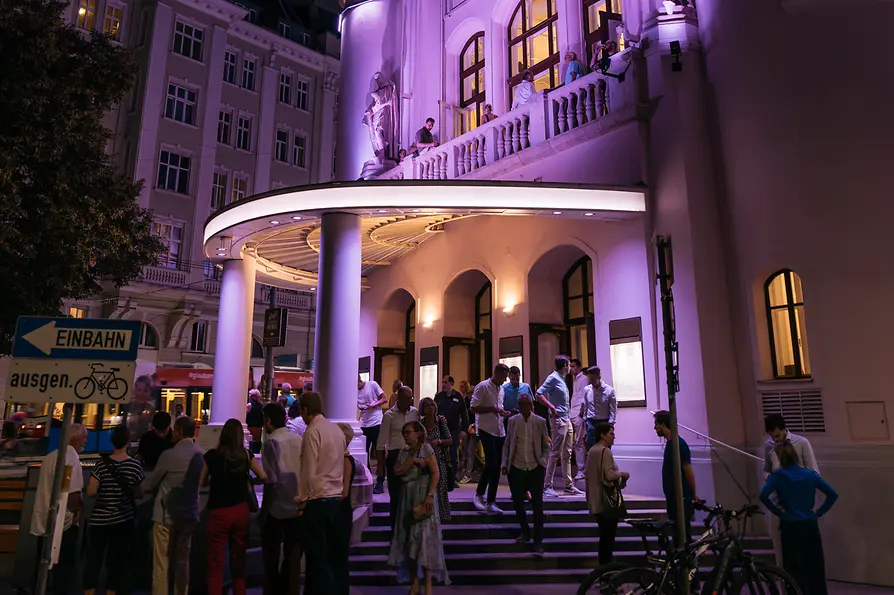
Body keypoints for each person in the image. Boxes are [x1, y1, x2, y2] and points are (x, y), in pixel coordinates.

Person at [759, 441, 837, 595]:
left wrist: (778, 511)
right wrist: (818, 513)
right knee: (815, 566)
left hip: (790, 525)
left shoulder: (778, 477)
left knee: (794, 568)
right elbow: (832, 494)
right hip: (810, 524)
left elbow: (763, 495)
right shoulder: (810, 475)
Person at [201, 418, 266, 595]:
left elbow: (201, 483)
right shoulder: (245, 455)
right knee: (239, 562)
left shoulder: (211, 456)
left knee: (215, 564)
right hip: (240, 510)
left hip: (218, 512)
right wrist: (248, 481)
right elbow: (264, 476)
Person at [388, 421, 449, 594]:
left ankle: (428, 586)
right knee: (411, 540)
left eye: (408, 432)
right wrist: (411, 462)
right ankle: (414, 581)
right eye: (404, 433)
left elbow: (435, 473)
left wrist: (430, 495)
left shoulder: (427, 449)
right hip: (408, 498)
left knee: (425, 540)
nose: (405, 436)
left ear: (418, 433)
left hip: (423, 496)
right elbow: (397, 471)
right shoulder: (404, 452)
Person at [84, 425, 144, 595]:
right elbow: (139, 493)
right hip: (123, 520)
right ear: (128, 442)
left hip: (99, 521)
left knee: (94, 560)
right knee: (117, 562)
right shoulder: (134, 466)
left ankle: (90, 591)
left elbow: (91, 491)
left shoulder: (101, 465)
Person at [297, 391, 346, 595]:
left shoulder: (312, 432)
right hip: (336, 500)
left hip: (318, 501)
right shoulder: (336, 430)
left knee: (317, 560)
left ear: (305, 410)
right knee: (333, 558)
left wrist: (301, 501)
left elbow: (308, 471)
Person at [149, 416, 203, 595]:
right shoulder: (201, 454)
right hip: (189, 516)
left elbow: (152, 483)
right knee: (182, 562)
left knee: (161, 563)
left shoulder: (169, 455)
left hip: (165, 516)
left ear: (179, 431)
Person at [32, 424, 87, 595]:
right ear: (75, 438)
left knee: (41, 568)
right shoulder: (72, 458)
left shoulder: (49, 458)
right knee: (63, 573)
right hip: (63, 524)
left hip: (43, 522)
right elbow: (72, 493)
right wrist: (78, 510)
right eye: (84, 437)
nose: (86, 440)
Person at [260, 402, 303, 595]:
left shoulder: (270, 443)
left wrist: (263, 511)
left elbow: (271, 481)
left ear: (268, 421)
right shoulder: (298, 439)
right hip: (297, 506)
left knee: (271, 556)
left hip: (277, 508)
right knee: (292, 557)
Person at [501, 393, 549, 555]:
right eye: (520, 404)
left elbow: (545, 445)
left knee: (537, 506)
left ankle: (538, 542)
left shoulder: (540, 422)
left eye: (525, 404)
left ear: (531, 405)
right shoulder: (513, 421)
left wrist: (544, 460)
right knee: (518, 503)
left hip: (535, 467)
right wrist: (504, 464)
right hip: (517, 466)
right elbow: (507, 444)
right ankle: (525, 531)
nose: (522, 407)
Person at [537, 356, 584, 497]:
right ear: (564, 365)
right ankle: (547, 486)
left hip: (566, 418)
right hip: (558, 419)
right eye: (569, 365)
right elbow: (539, 393)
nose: (570, 367)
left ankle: (568, 486)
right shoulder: (552, 378)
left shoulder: (562, 379)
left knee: (567, 453)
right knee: (555, 452)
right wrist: (551, 406)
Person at [653, 410, 700, 546]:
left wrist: (694, 494)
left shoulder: (678, 444)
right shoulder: (670, 444)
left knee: (683, 537)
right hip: (674, 499)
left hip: (681, 499)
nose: (654, 428)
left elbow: (688, 471)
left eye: (656, 424)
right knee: (678, 536)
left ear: (663, 424)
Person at [585, 422, 629, 565]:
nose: (613, 436)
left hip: (596, 500)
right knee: (608, 541)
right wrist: (623, 474)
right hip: (606, 503)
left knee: (604, 539)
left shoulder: (592, 451)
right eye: (611, 433)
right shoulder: (605, 451)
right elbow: (609, 476)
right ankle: (606, 574)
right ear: (602, 435)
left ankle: (603, 574)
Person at [377, 386, 421, 529]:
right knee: (395, 496)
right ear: (400, 399)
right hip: (395, 456)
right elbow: (381, 444)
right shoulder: (389, 415)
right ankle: (395, 529)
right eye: (408, 398)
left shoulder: (415, 413)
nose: (410, 401)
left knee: (411, 495)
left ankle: (409, 528)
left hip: (412, 455)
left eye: (411, 398)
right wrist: (380, 467)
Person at [470, 363, 511, 515]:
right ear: (497, 373)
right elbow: (473, 407)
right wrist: (493, 409)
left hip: (499, 430)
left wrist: (503, 413)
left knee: (496, 466)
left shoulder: (501, 390)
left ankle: (490, 501)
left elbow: (498, 408)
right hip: (486, 429)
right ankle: (480, 495)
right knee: (491, 464)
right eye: (504, 376)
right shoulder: (482, 386)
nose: (505, 379)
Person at [419, 397, 452, 521]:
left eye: (432, 405)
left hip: (439, 460)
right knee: (427, 489)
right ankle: (429, 515)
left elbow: (450, 440)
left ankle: (442, 516)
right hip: (425, 461)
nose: (430, 407)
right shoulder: (421, 424)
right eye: (427, 405)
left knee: (441, 488)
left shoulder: (440, 422)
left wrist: (438, 441)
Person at [334, 423, 357, 595]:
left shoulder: (345, 460)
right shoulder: (339, 458)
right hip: (339, 510)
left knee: (339, 555)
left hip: (341, 511)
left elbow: (344, 491)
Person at [434, 376, 468, 491]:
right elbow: (434, 412)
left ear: (451, 384)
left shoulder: (458, 396)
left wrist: (464, 429)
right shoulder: (438, 397)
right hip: (441, 429)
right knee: (441, 455)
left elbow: (464, 414)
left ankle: (452, 480)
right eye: (442, 382)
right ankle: (440, 479)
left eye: (445, 382)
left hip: (454, 430)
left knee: (453, 456)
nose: (443, 384)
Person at [358, 375, 388, 494]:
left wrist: (374, 404)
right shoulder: (354, 391)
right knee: (364, 452)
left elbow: (384, 398)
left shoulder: (372, 384)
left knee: (379, 452)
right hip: (363, 423)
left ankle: (380, 482)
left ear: (360, 380)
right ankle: (368, 479)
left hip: (376, 422)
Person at [581, 366, 617, 449]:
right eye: (590, 379)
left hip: (604, 422)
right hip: (591, 423)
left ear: (599, 377)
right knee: (591, 448)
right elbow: (586, 406)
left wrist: (610, 425)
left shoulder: (609, 391)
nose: (591, 382)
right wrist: (585, 423)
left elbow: (613, 409)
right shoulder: (587, 390)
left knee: (605, 448)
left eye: (593, 379)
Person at [568, 359, 589, 480]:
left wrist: (581, 413)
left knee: (579, 443)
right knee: (574, 443)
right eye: (570, 366)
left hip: (578, 414)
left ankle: (582, 470)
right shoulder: (575, 380)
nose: (571, 369)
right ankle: (579, 468)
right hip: (573, 413)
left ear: (579, 367)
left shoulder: (583, 379)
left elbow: (583, 397)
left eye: (573, 366)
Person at [501, 366, 533, 432]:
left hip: (524, 417)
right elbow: (500, 404)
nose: (515, 381)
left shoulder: (526, 387)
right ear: (509, 377)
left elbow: (531, 403)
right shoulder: (503, 388)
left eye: (517, 379)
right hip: (510, 417)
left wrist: (532, 418)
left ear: (519, 376)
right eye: (513, 379)